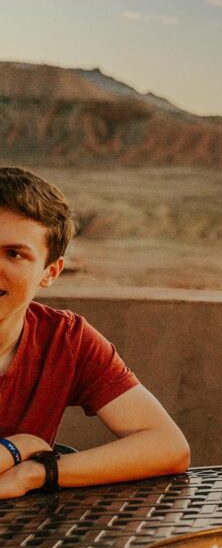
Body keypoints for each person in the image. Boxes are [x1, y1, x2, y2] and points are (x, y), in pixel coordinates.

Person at [0, 167, 190, 498]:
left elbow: (169, 447)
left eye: (14, 254)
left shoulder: (65, 339)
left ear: (50, 272)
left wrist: (41, 472)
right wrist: (16, 448)